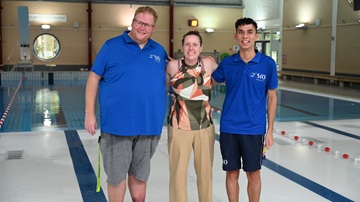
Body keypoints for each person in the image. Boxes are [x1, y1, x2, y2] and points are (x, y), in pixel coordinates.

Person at [84, 6, 168, 202]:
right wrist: (89, 113)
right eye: (139, 22)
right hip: (117, 126)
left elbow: (169, 78)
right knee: (116, 177)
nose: (142, 27)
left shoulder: (159, 50)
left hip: (148, 126)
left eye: (147, 25)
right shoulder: (111, 46)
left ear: (153, 28)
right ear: (133, 21)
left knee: (140, 175)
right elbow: (94, 77)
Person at [212, 17, 278, 202]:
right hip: (229, 127)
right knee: (231, 173)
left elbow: (272, 97)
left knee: (253, 174)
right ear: (236, 36)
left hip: (254, 129)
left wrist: (270, 130)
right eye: (241, 32)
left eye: (249, 32)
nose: (245, 36)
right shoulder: (228, 63)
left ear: (256, 35)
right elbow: (209, 81)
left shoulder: (267, 64)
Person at [166, 30, 218, 202]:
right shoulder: (173, 66)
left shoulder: (208, 65)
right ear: (182, 47)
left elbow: (225, 79)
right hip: (179, 127)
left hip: (205, 127)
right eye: (187, 44)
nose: (191, 48)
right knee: (178, 175)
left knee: (205, 174)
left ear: (201, 47)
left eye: (195, 44)